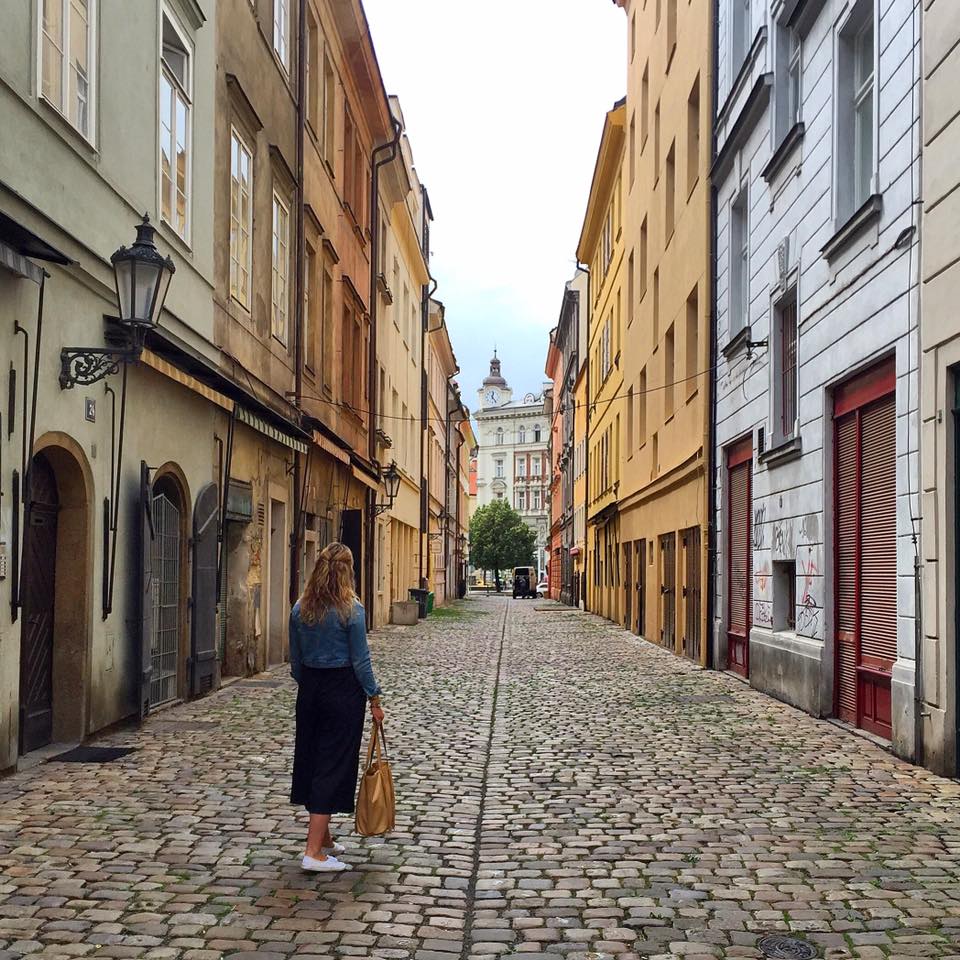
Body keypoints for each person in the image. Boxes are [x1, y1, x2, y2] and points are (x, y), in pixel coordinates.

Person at [289, 542, 385, 873]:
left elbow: (295, 663)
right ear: (348, 572)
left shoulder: (301, 609)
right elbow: (361, 660)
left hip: (311, 690)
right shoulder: (351, 610)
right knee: (332, 764)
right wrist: (374, 697)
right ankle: (313, 852)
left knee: (313, 759)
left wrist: (309, 686)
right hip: (343, 691)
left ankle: (325, 839)